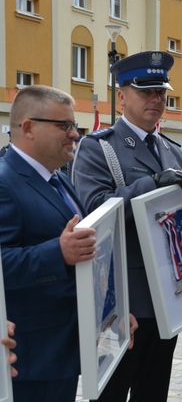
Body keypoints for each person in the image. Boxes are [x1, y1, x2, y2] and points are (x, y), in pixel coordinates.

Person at [72, 51, 182, 402]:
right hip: (123, 294)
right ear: (121, 95)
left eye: (161, 92)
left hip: (167, 293)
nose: (156, 100)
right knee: (113, 391)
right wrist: (151, 183)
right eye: (146, 91)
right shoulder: (100, 149)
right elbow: (94, 211)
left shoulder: (174, 152)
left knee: (154, 391)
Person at [0, 85, 97, 401]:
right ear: (28, 127)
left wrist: (112, 309)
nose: (74, 134)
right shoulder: (5, 181)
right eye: (63, 125)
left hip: (61, 350)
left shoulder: (58, 177)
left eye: (74, 126)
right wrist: (58, 252)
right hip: (29, 358)